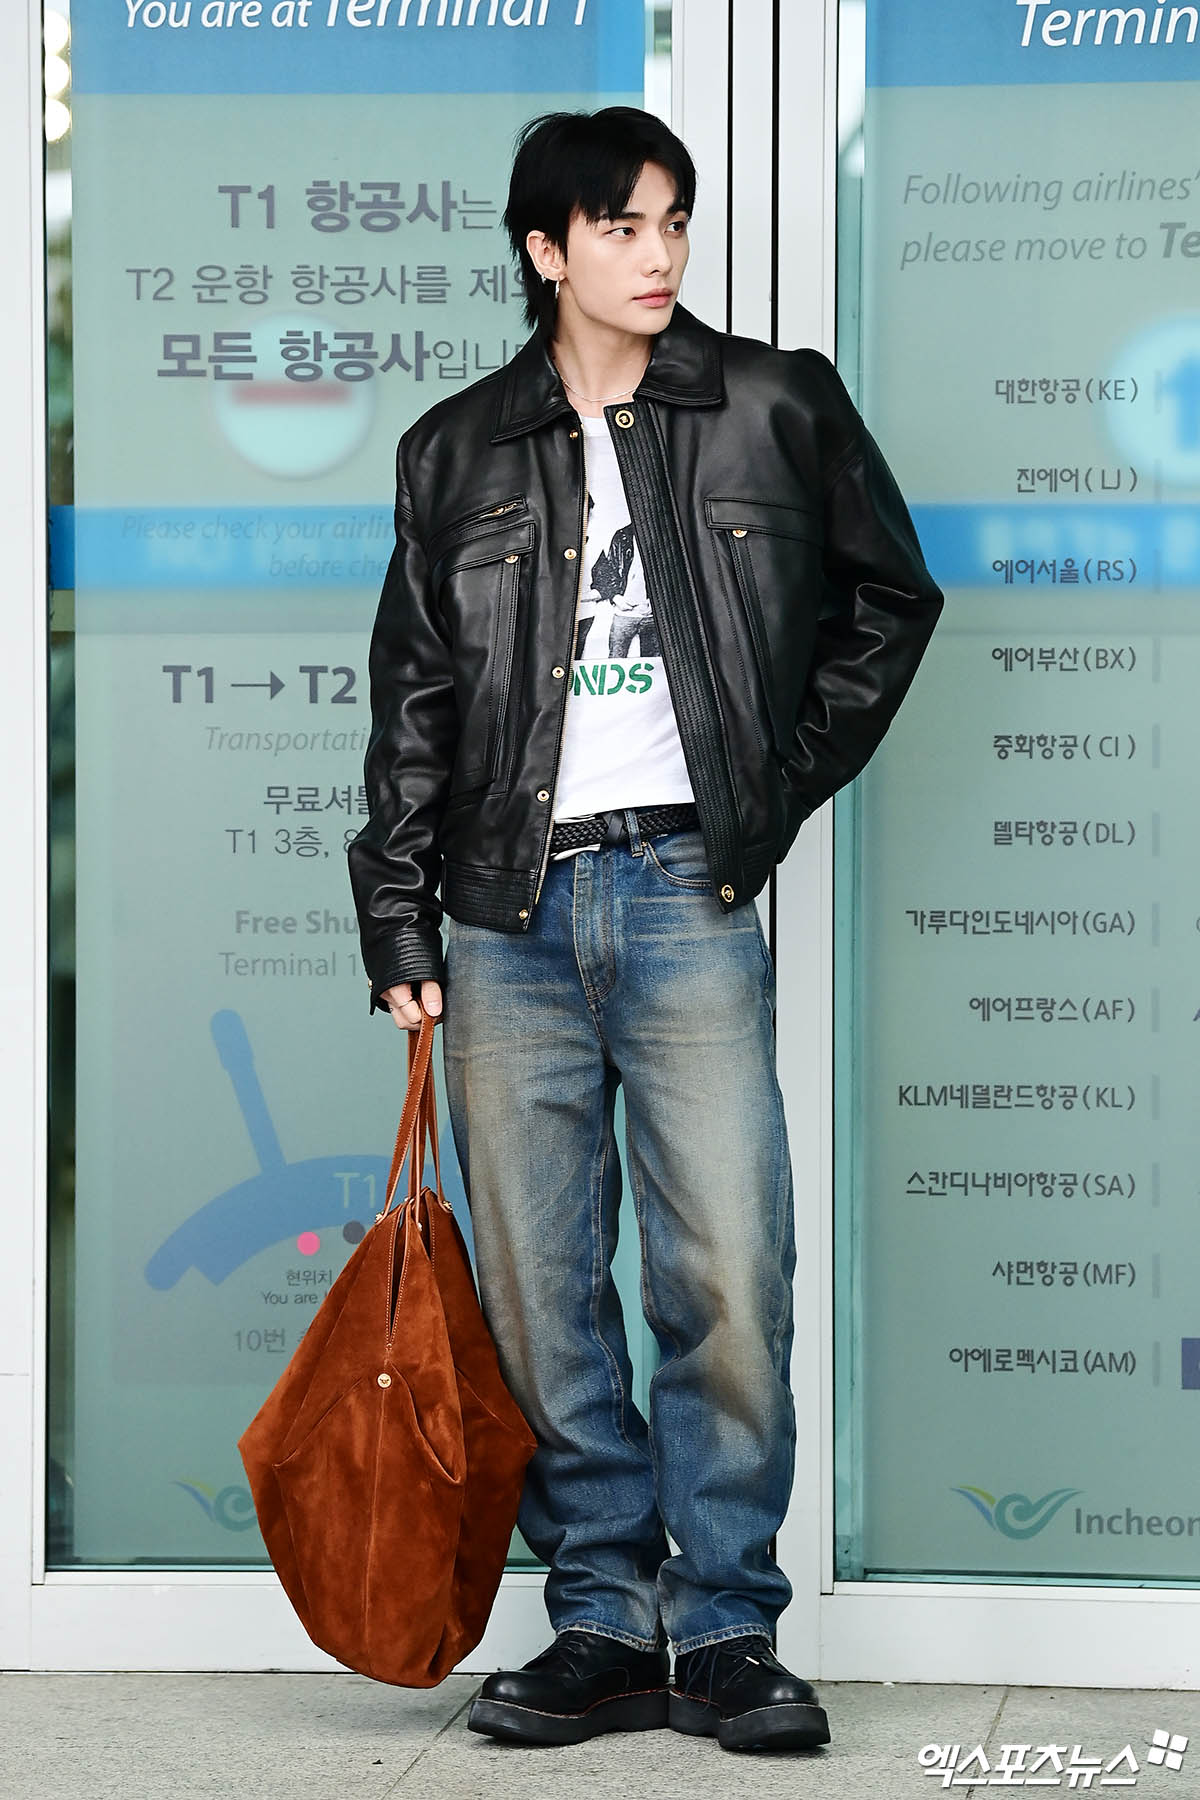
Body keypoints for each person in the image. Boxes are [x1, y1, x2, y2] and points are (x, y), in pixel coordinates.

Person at [347, 106, 944, 1754]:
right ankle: (603, 1617)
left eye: (673, 220)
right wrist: (397, 920)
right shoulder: (457, 450)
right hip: (504, 914)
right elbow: (415, 704)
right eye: (620, 226)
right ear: (547, 250)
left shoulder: (773, 403)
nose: (659, 252)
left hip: (686, 888)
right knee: (543, 1289)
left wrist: (767, 793)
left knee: (726, 1270)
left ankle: (730, 1625)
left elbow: (891, 602)